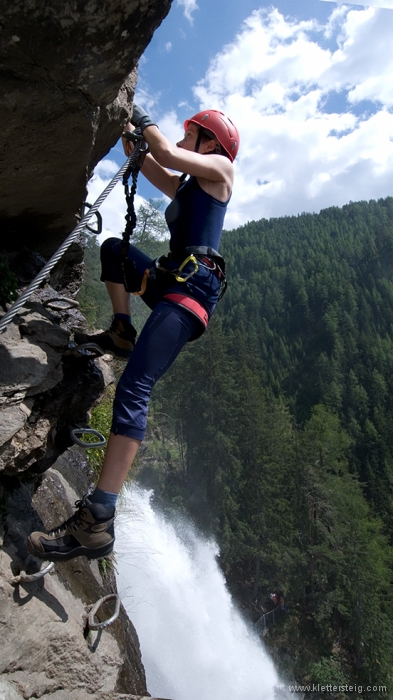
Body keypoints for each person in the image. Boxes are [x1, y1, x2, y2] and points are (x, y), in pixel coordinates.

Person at [27, 105, 239, 562]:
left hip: (191, 293)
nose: (183, 142)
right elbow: (152, 161)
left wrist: (144, 122)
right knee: (115, 250)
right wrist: (129, 136)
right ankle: (122, 330)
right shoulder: (189, 183)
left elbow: (162, 149)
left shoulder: (221, 170)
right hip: (172, 282)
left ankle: (98, 521)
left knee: (134, 388)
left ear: (211, 144)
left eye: (192, 135)